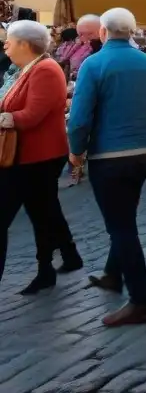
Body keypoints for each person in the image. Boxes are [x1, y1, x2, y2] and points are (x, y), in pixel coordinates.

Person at [67, 8, 146, 327]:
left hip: (109, 156)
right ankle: (114, 273)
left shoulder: (94, 64)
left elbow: (80, 118)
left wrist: (76, 153)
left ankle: (141, 300)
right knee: (124, 216)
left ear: (102, 32)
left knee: (121, 226)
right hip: (141, 153)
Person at [0, 20, 82, 295]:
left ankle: (50, 267)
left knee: (27, 214)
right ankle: (48, 268)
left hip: (37, 157)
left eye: (9, 42)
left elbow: (32, 116)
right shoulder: (30, 69)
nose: (5, 46)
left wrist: (4, 118)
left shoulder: (44, 70)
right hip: (26, 157)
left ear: (24, 44)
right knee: (42, 213)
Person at [68, 14, 101, 80]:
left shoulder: (104, 50)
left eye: (90, 34)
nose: (84, 38)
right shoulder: (78, 46)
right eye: (80, 34)